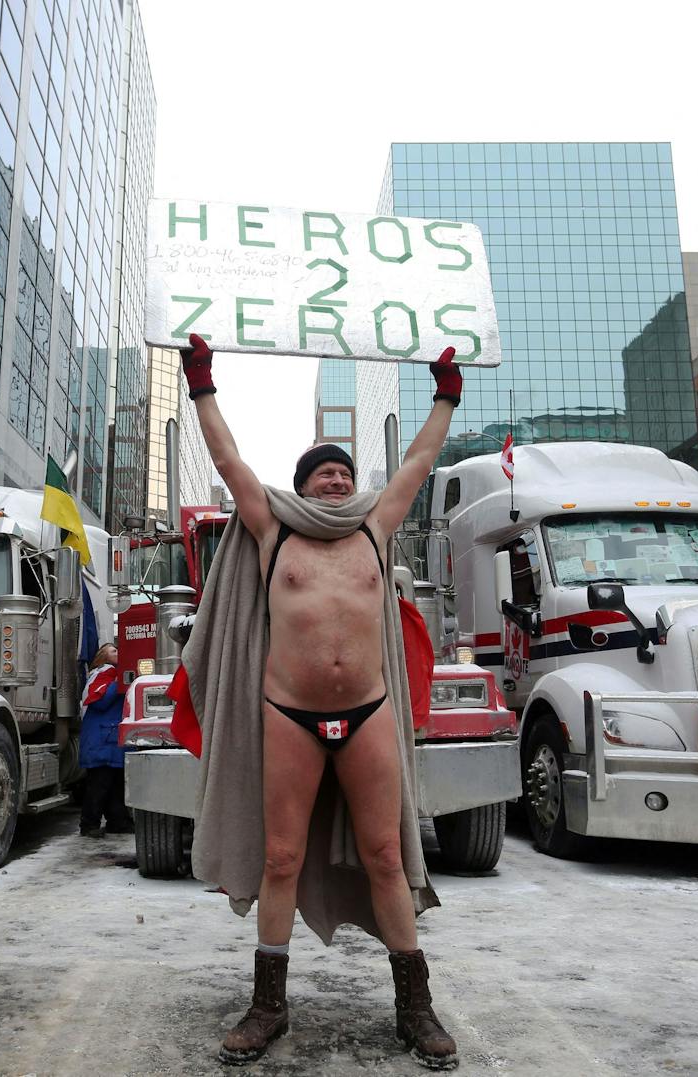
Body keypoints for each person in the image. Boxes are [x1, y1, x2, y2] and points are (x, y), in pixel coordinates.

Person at [175, 333, 462, 1070]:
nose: (335, 481)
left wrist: (446, 396)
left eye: (342, 471)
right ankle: (267, 1005)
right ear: (303, 489)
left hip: (367, 710)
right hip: (287, 713)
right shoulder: (273, 530)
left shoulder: (375, 526)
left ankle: (415, 1005)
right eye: (321, 474)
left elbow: (421, 463)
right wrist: (202, 382)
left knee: (386, 853)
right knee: (279, 857)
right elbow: (230, 461)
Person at [78, 643, 132, 838]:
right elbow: (99, 701)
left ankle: (118, 821)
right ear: (103, 656)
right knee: (100, 785)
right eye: (113, 650)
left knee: (113, 784)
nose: (118, 652)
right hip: (102, 740)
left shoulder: (109, 674)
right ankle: (89, 824)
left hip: (107, 739)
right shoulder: (103, 674)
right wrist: (121, 681)